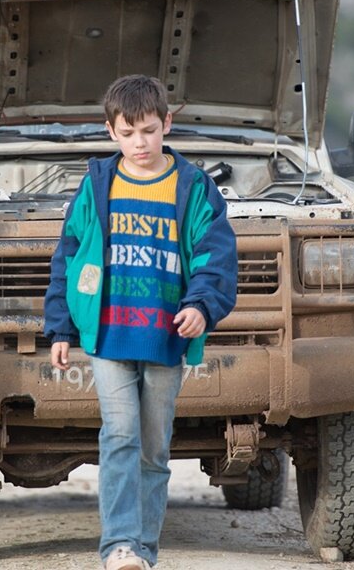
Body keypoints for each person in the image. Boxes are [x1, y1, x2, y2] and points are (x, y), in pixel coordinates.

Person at [44, 75, 238, 570]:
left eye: (149, 131)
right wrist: (62, 329)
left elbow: (215, 255)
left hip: (165, 338)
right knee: (121, 435)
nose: (140, 143)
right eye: (129, 133)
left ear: (167, 124)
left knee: (154, 448)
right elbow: (69, 255)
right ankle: (120, 546)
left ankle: (144, 550)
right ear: (111, 131)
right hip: (108, 336)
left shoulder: (193, 187)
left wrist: (200, 305)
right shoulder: (98, 184)